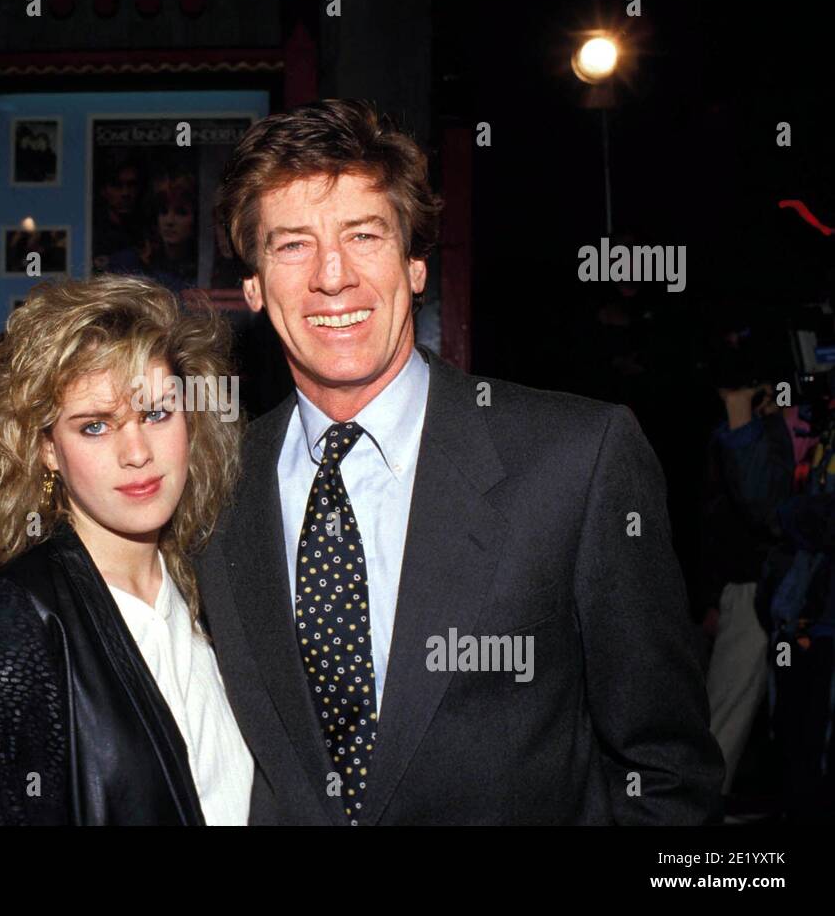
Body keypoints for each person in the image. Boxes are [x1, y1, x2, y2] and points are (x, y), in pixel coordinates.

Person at [197, 98, 725, 824]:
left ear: (415, 266)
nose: (332, 275)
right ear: (253, 286)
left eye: (364, 235)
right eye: (291, 244)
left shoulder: (576, 460)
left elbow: (667, 774)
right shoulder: (214, 485)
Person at [0, 274, 253, 825]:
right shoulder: (3, 626)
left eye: (156, 413)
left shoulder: (217, 591)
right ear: (46, 450)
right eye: (95, 426)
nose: (137, 452)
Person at [107, 171, 199, 293]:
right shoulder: (129, 265)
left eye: (181, 213)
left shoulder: (202, 272)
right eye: (163, 212)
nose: (169, 221)